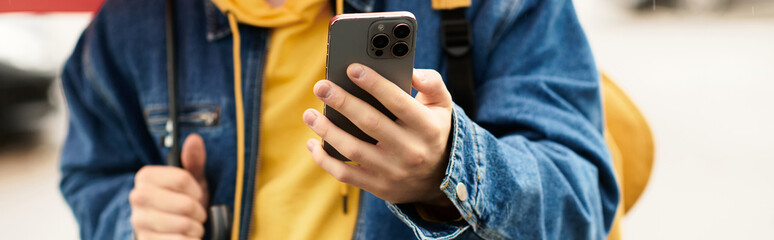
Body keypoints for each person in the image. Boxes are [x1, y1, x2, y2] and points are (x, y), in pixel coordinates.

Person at [59, 0, 620, 239]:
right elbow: (93, 177)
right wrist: (132, 219)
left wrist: (451, 172)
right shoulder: (126, 28)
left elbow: (582, 201)